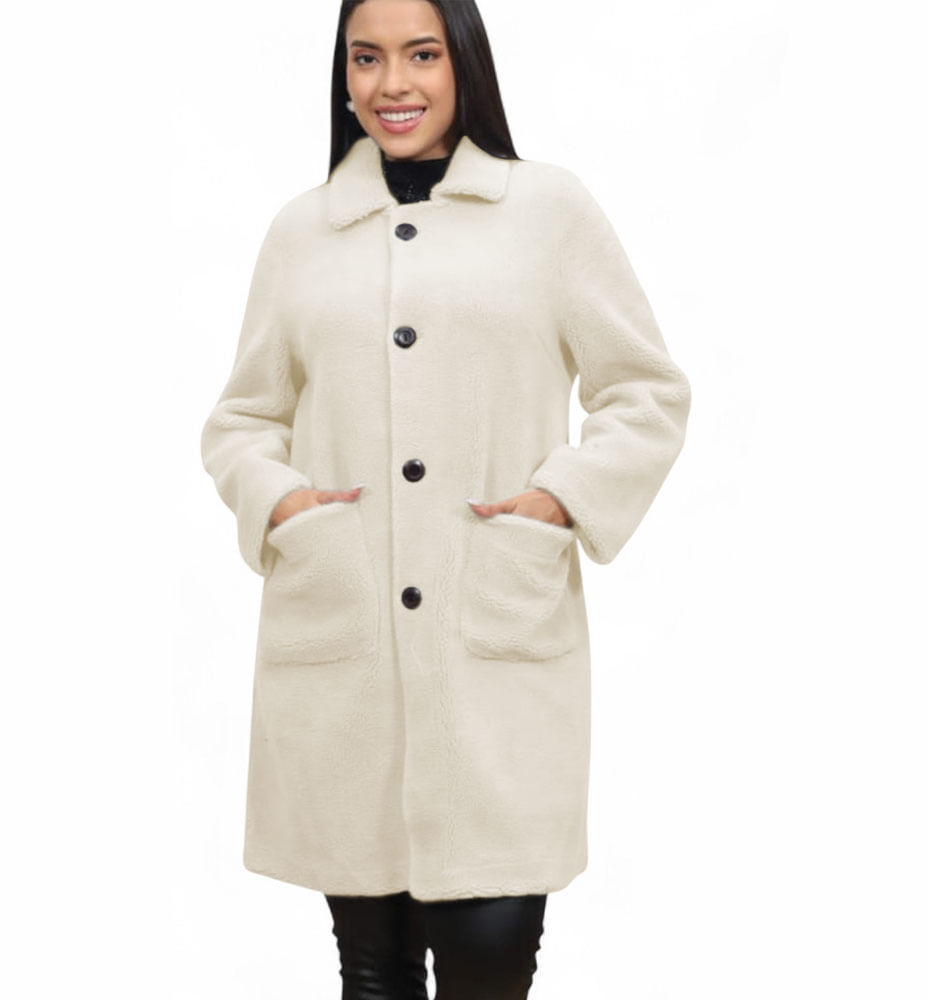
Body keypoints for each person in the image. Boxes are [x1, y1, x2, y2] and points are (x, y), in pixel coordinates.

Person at [199, 0, 692, 996]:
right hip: (344, 657)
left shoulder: (547, 211)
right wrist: (286, 506)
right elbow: (242, 419)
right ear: (343, 75)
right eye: (366, 58)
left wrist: (560, 499)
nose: (392, 85)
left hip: (494, 647)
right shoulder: (302, 232)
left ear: (463, 61)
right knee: (371, 971)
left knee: (489, 964)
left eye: (421, 55)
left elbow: (645, 392)